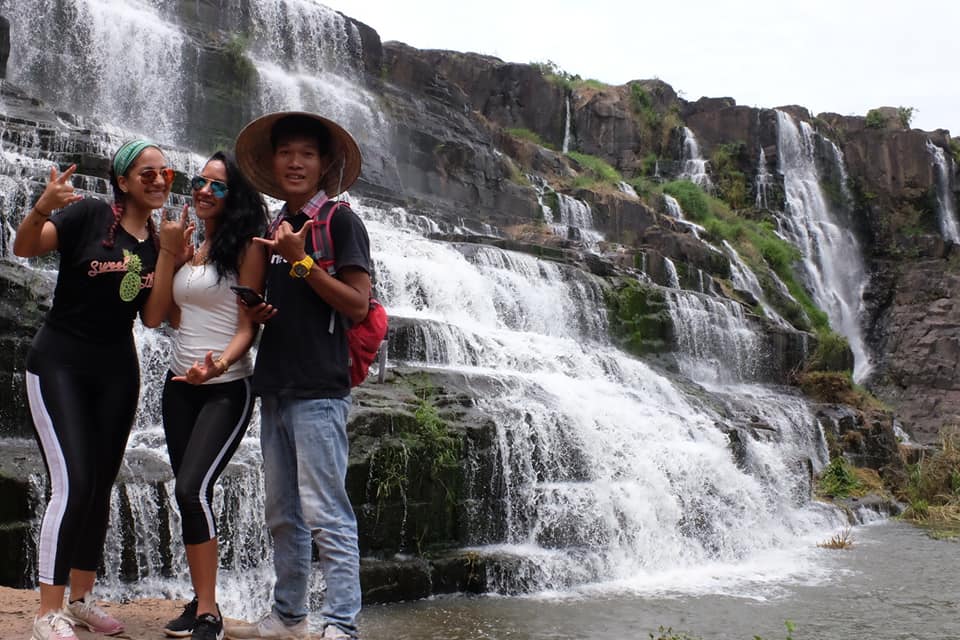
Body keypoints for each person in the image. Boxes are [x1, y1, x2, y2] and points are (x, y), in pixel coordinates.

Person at [14, 140, 187, 640]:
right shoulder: (88, 215)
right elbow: (25, 247)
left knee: (98, 488)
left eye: (166, 173)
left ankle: (81, 600)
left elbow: (152, 317)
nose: (159, 181)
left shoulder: (158, 240)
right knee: (72, 483)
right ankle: (48, 611)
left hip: (117, 372)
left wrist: (171, 253)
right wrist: (42, 207)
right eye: (147, 173)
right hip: (59, 364)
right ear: (123, 181)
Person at [225, 112, 371, 640]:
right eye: (286, 152)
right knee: (283, 514)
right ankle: (289, 616)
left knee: (327, 512)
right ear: (272, 161)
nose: (295, 162)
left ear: (324, 164)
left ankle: (342, 624)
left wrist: (303, 262)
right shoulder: (273, 228)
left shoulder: (340, 222)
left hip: (320, 390)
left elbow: (357, 304)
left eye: (306, 154)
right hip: (276, 386)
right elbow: (279, 304)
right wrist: (259, 308)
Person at [150, 151, 269, 640]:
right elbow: (164, 316)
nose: (203, 190)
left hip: (226, 387)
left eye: (217, 185)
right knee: (190, 493)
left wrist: (217, 365)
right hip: (179, 386)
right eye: (200, 181)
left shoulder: (250, 248)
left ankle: (208, 615)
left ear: (235, 195)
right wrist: (170, 255)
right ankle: (202, 598)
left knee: (190, 489)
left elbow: (246, 329)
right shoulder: (193, 247)